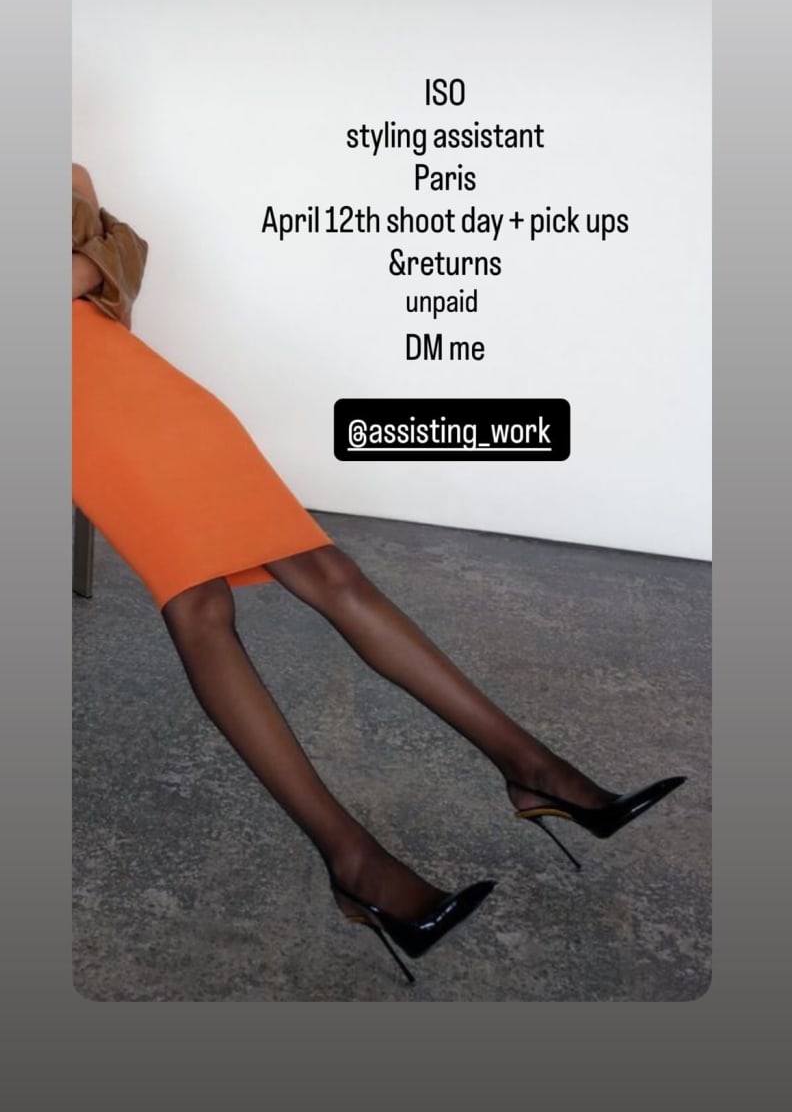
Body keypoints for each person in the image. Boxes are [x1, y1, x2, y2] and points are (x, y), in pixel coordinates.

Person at [71, 163, 685, 984]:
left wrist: (89, 264)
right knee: (198, 603)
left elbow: (117, 266)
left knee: (329, 569)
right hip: (70, 403)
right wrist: (87, 263)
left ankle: (536, 771)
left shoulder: (62, 165)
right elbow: (92, 263)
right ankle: (355, 866)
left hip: (145, 385)